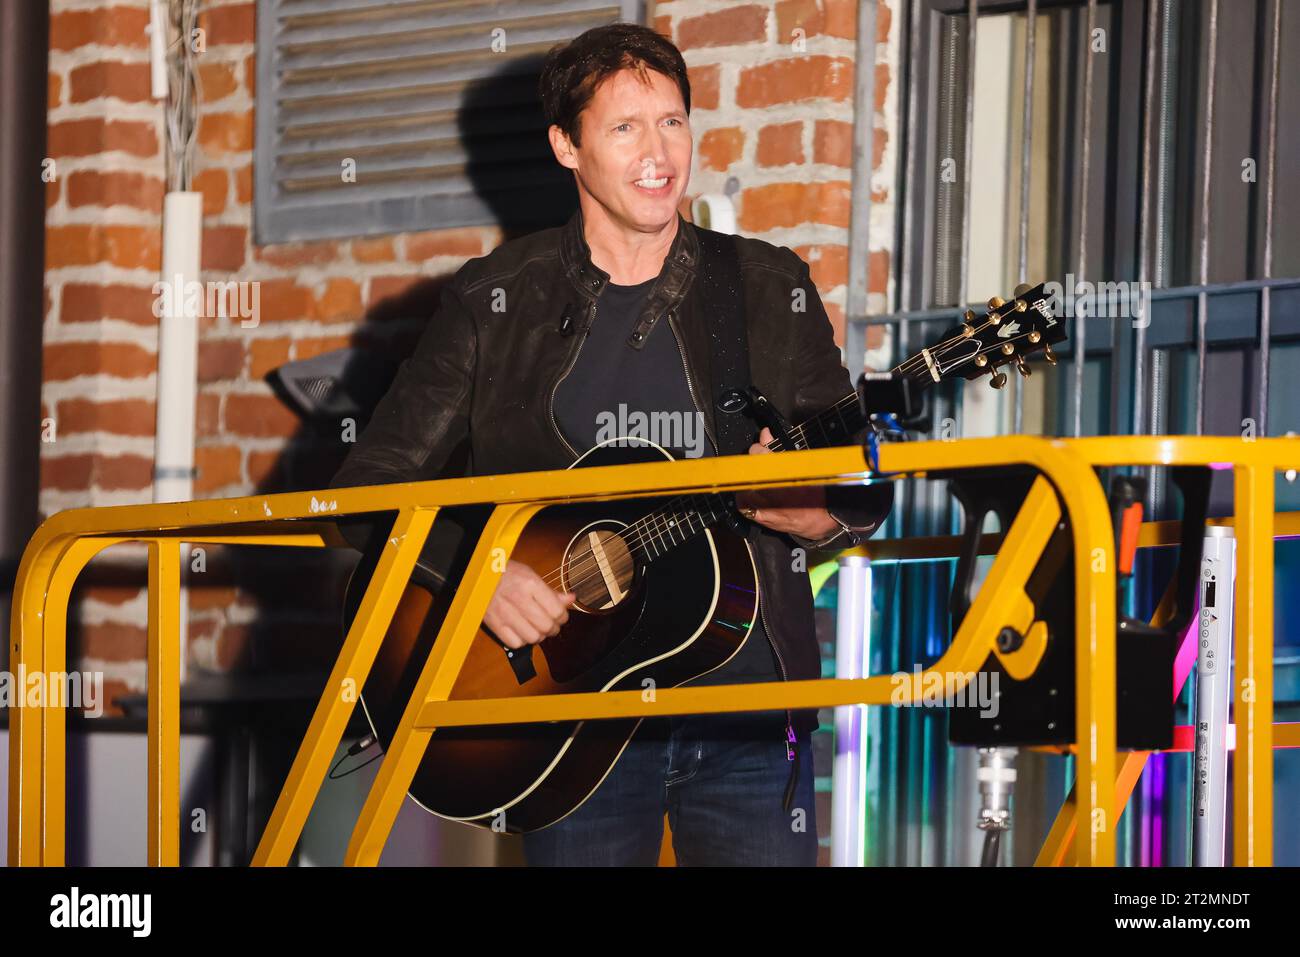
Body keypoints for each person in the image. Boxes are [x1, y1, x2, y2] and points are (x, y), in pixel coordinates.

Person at [329, 21, 892, 866]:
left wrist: (814, 511)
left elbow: (858, 486)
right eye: (625, 127)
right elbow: (365, 490)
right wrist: (476, 573)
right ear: (566, 146)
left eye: (673, 121)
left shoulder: (766, 285)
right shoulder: (497, 300)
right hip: (570, 723)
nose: (659, 151)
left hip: (744, 710)